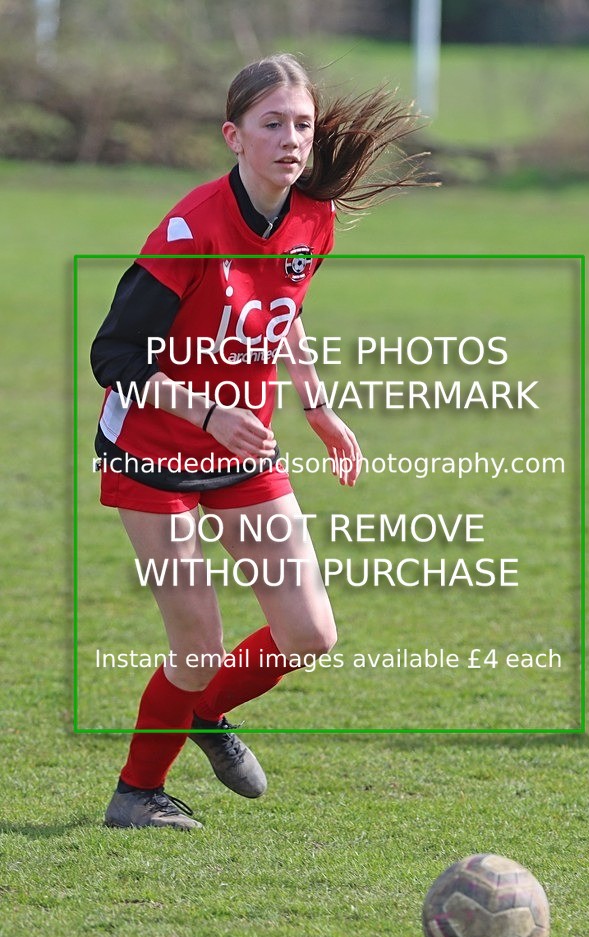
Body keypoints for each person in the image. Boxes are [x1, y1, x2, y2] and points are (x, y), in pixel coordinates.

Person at [91, 53, 431, 830]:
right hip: (152, 451)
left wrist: (317, 406)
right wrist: (208, 414)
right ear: (233, 136)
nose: (290, 140)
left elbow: (283, 309)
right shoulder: (190, 228)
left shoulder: (313, 219)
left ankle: (202, 715)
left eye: (301, 125)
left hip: (240, 450)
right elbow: (114, 356)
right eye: (271, 124)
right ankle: (136, 793)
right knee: (197, 644)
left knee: (308, 632)